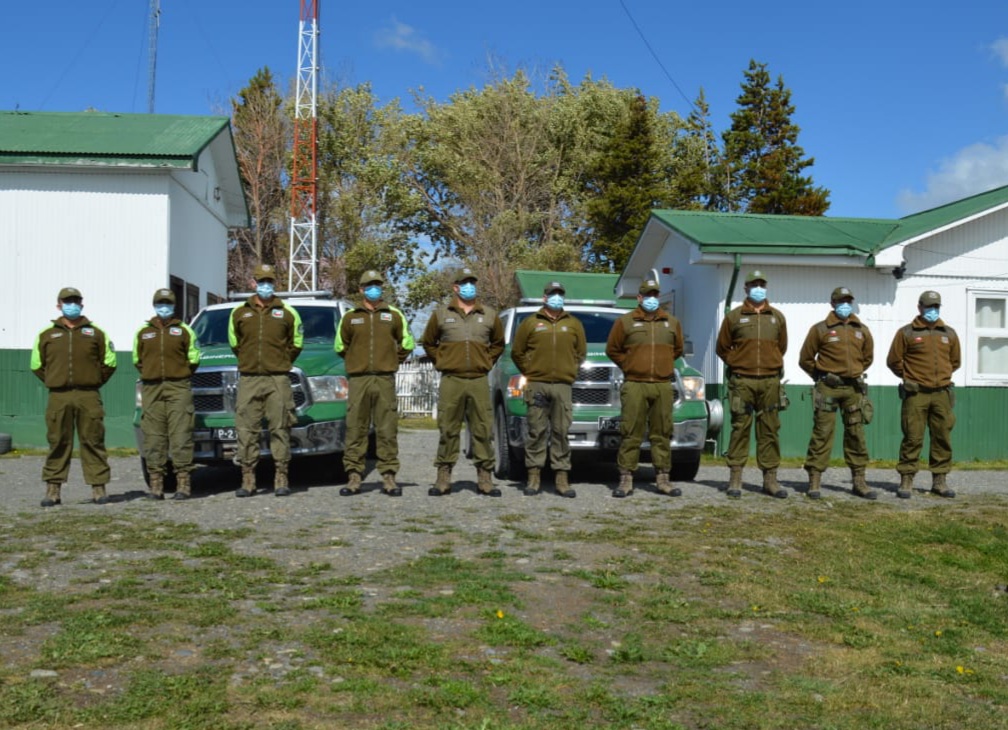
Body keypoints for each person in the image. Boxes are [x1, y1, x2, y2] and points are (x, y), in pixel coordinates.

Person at [421, 267, 505, 496]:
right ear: (455, 288)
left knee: (482, 429)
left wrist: (486, 361)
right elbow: (428, 342)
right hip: (452, 380)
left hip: (478, 380)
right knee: (448, 428)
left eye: (473, 283)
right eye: (465, 283)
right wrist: (442, 360)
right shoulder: (440, 314)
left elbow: (498, 343)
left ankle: (485, 479)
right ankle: (443, 478)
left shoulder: (489, 314)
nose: (470, 287)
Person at [30, 286, 117, 506]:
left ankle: (99, 489)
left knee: (93, 441)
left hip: (89, 396)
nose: (72, 305)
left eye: (75, 301)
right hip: (58, 397)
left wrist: (94, 380)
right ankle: (53, 490)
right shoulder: (46, 335)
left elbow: (110, 362)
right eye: (67, 302)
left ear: (82, 304)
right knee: (58, 442)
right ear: (59, 305)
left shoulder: (96, 333)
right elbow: (37, 365)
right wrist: (55, 380)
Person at [335, 270, 415, 496]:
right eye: (369, 286)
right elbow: (340, 347)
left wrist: (391, 360)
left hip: (384, 379)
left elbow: (407, 343)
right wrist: (356, 362)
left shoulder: (394, 314)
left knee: (387, 429)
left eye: (377, 285)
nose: (374, 289)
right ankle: (353, 477)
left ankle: (389, 478)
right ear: (361, 290)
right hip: (359, 380)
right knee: (355, 430)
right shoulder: (350, 317)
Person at [605, 277, 684, 498]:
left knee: (662, 432)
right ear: (639, 297)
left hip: (662, 385)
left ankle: (663, 479)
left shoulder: (672, 322)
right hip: (635, 384)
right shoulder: (626, 322)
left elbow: (676, 350)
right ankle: (626, 479)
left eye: (654, 295)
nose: (651, 298)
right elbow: (612, 349)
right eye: (647, 295)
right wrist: (630, 365)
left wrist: (662, 364)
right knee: (631, 432)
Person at [228, 263, 303, 498]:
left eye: (269, 281)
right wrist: (250, 361)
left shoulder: (288, 312)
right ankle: (248, 479)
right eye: (261, 281)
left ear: (275, 283)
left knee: (280, 427)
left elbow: (297, 342)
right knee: (246, 429)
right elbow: (234, 342)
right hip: (249, 379)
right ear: (253, 283)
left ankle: (281, 477)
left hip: (277, 379)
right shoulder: (240, 312)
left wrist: (281, 362)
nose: (265, 285)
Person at [715, 270, 789, 499]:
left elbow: (781, 347)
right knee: (740, 430)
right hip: (742, 382)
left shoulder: (777, 317)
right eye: (753, 284)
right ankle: (736, 478)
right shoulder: (735, 317)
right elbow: (722, 348)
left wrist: (768, 364)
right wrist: (738, 363)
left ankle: (770, 480)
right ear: (745, 288)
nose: (758, 288)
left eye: (761, 284)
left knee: (769, 430)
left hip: (769, 382)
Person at [798, 286, 876, 500]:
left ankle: (859, 480)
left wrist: (853, 372)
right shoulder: (820, 329)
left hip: (853, 389)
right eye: (841, 301)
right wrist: (821, 376)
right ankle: (814, 480)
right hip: (828, 388)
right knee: (822, 433)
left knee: (856, 434)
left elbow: (867, 358)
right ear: (832, 303)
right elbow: (805, 359)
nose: (845, 305)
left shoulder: (862, 330)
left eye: (848, 301)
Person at [510, 280, 586, 497]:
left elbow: (580, 353)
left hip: (562, 385)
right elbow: (518, 352)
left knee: (562, 432)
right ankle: (534, 478)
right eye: (552, 294)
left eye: (560, 293)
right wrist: (531, 371)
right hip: (537, 385)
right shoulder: (530, 322)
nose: (556, 297)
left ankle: (562, 479)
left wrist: (570, 370)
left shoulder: (573, 324)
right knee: (536, 431)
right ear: (544, 298)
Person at [886, 290, 960, 499]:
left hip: (942, 393)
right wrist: (909, 376)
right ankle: (907, 479)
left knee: (942, 437)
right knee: (912, 436)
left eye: (935, 306)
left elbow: (955, 362)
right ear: (919, 307)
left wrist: (940, 377)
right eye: (928, 306)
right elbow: (893, 360)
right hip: (916, 394)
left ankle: (940, 480)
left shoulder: (949, 334)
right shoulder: (907, 333)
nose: (932, 310)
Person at [133, 288, 201, 500]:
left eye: (168, 303)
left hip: (178, 387)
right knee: (153, 437)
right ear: (154, 306)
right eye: (160, 303)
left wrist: (178, 375)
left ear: (174, 306)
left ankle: (183, 484)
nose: (164, 307)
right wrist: (152, 375)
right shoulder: (143, 332)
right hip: (152, 389)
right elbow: (137, 359)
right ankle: (156, 485)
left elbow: (194, 358)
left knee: (181, 435)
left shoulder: (184, 331)